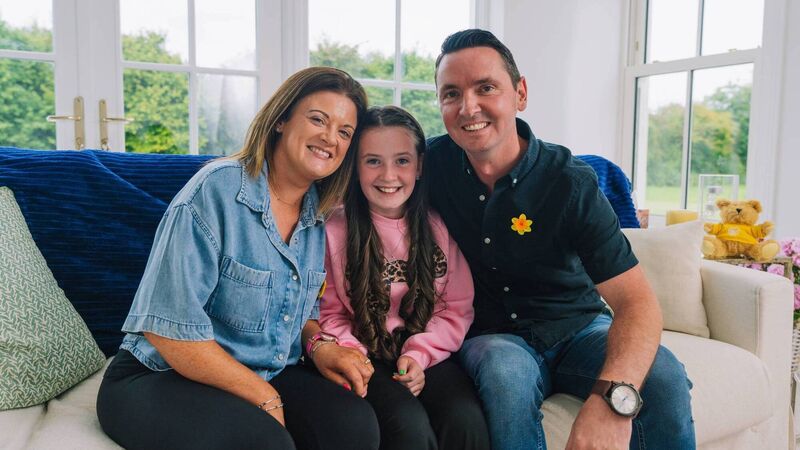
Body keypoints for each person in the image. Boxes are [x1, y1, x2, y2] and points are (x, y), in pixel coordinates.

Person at [425, 29, 696, 450]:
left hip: (579, 328)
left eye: (486, 88)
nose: (468, 107)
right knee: (504, 373)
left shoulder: (571, 182)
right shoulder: (426, 166)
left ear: (520, 93)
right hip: (491, 336)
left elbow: (636, 303)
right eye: (451, 94)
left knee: (663, 375)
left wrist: (612, 400)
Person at [96, 67, 381, 450]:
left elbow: (297, 315)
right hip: (159, 373)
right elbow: (166, 329)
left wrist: (321, 346)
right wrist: (263, 396)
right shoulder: (217, 189)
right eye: (318, 119)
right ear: (281, 120)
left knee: (354, 425)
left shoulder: (316, 214)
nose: (330, 137)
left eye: (344, 132)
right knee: (264, 442)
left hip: (263, 370)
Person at [317, 106, 490, 450]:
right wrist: (353, 355)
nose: (388, 175)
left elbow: (455, 308)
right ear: (355, 166)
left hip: (425, 350)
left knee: (465, 421)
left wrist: (419, 355)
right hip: (362, 355)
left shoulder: (437, 226)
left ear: (419, 165)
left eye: (401, 160)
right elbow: (328, 312)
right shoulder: (332, 230)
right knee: (408, 427)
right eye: (373, 161)